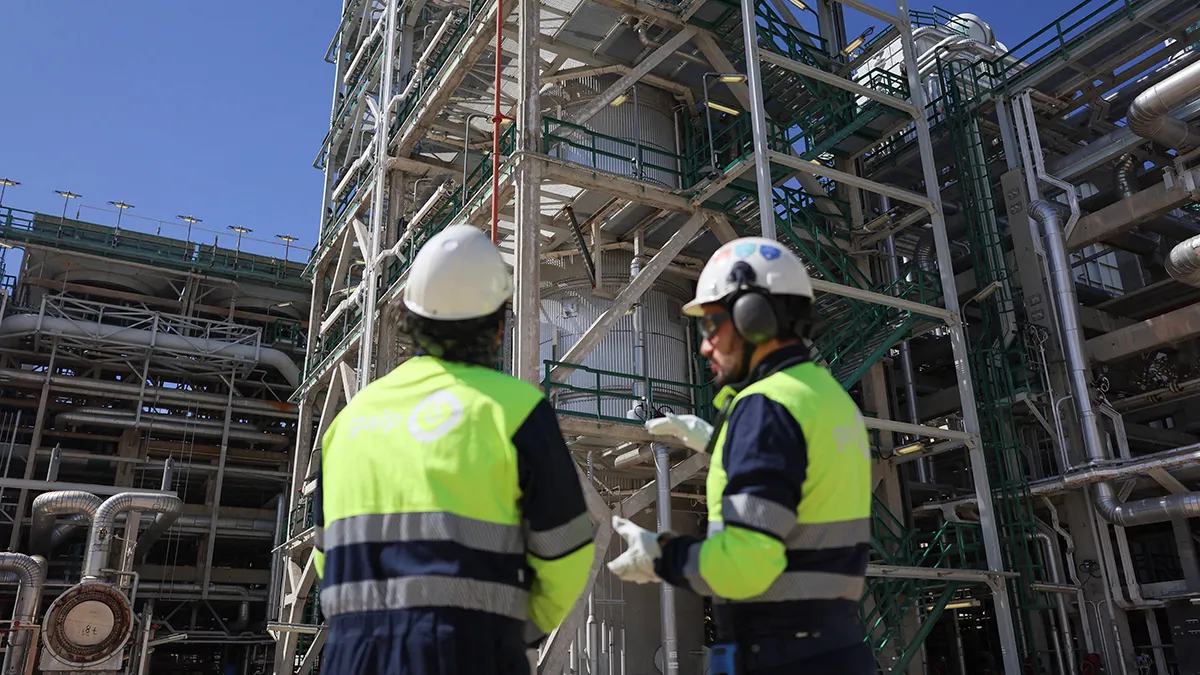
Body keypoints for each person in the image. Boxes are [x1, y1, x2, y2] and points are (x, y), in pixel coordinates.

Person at [314, 224, 596, 674]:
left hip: (351, 656)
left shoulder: (348, 422)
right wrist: (513, 630)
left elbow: (324, 555)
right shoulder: (515, 409)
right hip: (466, 651)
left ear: (409, 321)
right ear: (499, 328)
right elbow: (566, 550)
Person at [606, 236, 875, 675]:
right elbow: (799, 479)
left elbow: (744, 567)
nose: (704, 346)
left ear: (753, 318)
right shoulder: (827, 398)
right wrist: (722, 443)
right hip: (832, 647)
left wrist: (663, 558)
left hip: (778, 654)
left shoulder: (766, 406)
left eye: (712, 325)